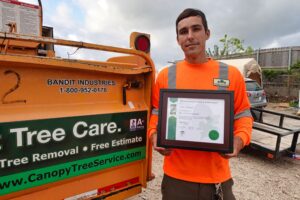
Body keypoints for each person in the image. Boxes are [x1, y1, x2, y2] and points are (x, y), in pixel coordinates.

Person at [148, 8, 253, 200]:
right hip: (175, 180)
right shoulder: (165, 76)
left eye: (196, 29)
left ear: (207, 33)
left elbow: (243, 115)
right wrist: (154, 136)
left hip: (217, 178)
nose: (189, 36)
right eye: (183, 32)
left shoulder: (230, 75)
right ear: (178, 39)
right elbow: (156, 113)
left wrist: (238, 142)